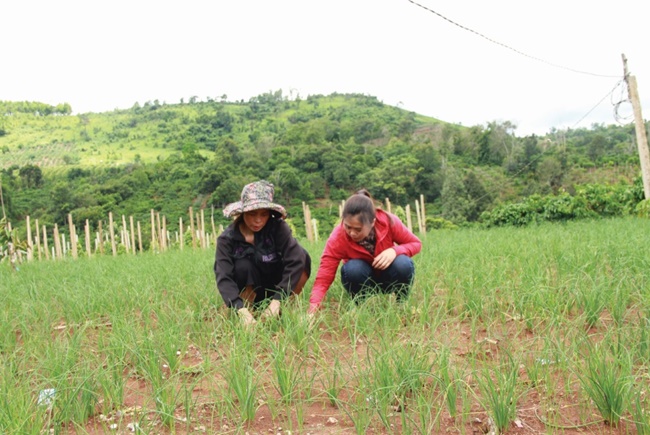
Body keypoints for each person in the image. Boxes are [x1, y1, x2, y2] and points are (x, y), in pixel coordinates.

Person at [308, 189, 422, 314]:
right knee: (353, 268)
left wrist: (394, 250)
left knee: (403, 263)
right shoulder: (338, 237)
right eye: (347, 226)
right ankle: (360, 307)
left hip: (389, 277)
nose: (352, 233)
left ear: (372, 222)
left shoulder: (388, 221)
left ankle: (402, 304)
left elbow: (416, 243)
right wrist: (313, 308)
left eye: (358, 229)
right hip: (362, 279)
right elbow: (324, 277)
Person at [214, 180, 311, 326]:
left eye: (264, 214)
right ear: (243, 212)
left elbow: (295, 260)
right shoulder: (227, 239)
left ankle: (285, 306)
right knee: (243, 265)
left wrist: (278, 299)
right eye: (252, 214)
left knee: (302, 256)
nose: (258, 220)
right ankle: (246, 311)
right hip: (251, 289)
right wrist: (239, 309)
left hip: (278, 286)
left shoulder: (277, 228)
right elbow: (224, 276)